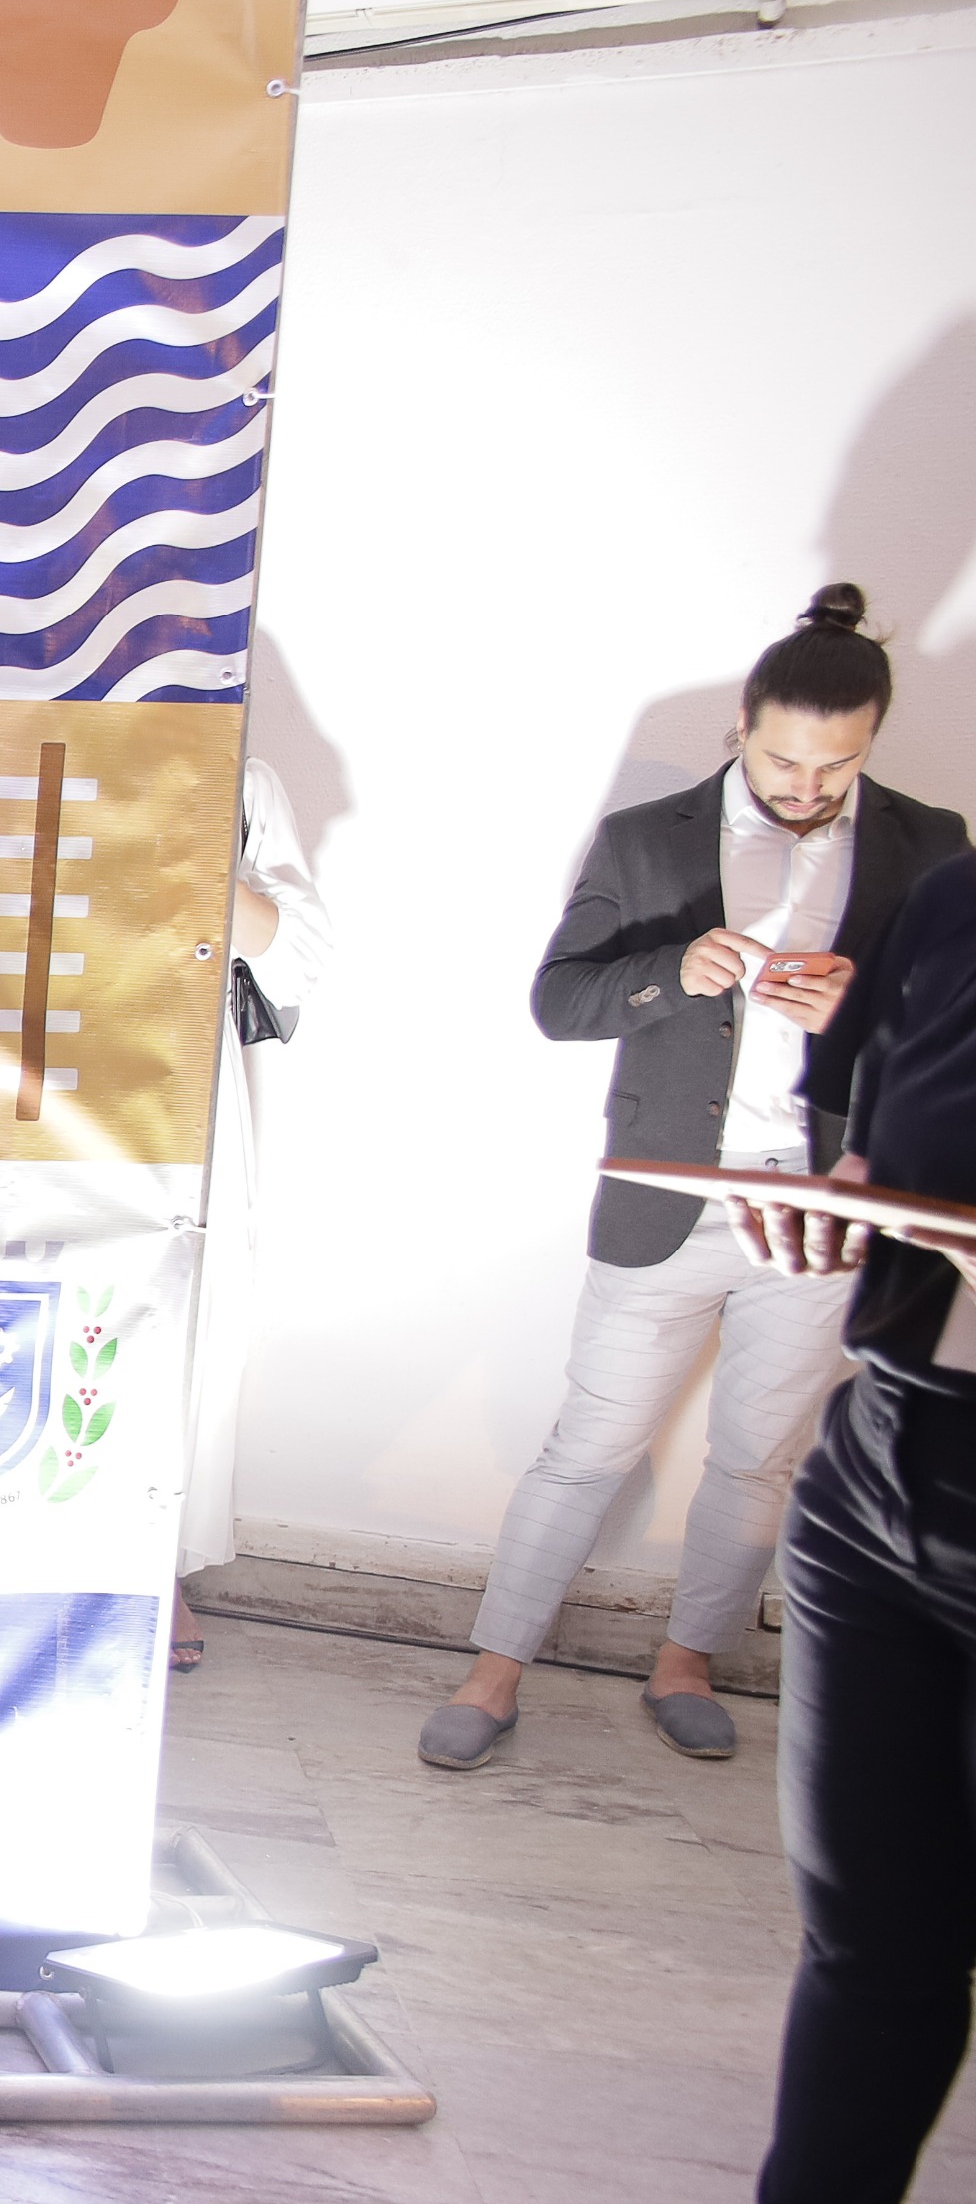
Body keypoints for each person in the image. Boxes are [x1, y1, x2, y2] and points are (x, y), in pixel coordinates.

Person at [595, 811, 975, 2204]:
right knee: (867, 1941)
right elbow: (875, 1126)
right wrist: (837, 1208)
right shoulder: (955, 905)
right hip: (891, 1466)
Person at [419, 587, 966, 1772]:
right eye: (782, 760)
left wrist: (869, 1010)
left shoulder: (931, 843)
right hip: (664, 1188)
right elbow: (557, 1001)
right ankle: (492, 1670)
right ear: (741, 724)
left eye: (835, 765)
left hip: (817, 1210)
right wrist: (676, 967)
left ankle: (684, 1663)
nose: (805, 786)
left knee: (756, 1457)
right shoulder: (644, 837)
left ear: (870, 740)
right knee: (586, 1446)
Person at [172, 757, 332, 1671]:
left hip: (176, 1082)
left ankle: (152, 1565)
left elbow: (301, 955)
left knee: (183, 1328)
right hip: (10, 1062)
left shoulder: (234, 770)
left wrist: (189, 851)